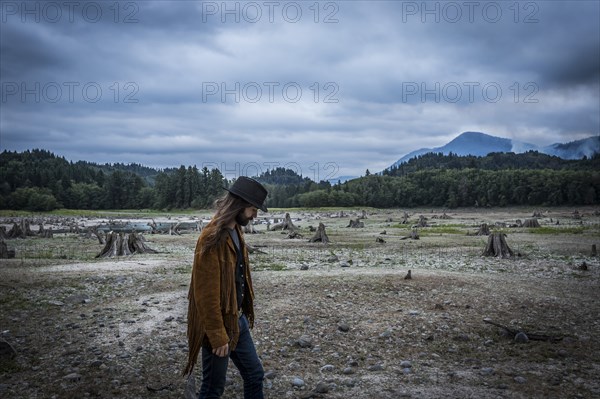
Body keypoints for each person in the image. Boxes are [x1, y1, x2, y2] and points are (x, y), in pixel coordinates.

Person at [183, 176, 268, 399]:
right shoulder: (211, 237)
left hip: (236, 319)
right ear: (239, 205)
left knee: (254, 374)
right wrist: (217, 335)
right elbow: (205, 293)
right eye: (252, 209)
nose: (255, 215)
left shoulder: (236, 231)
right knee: (212, 389)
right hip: (218, 325)